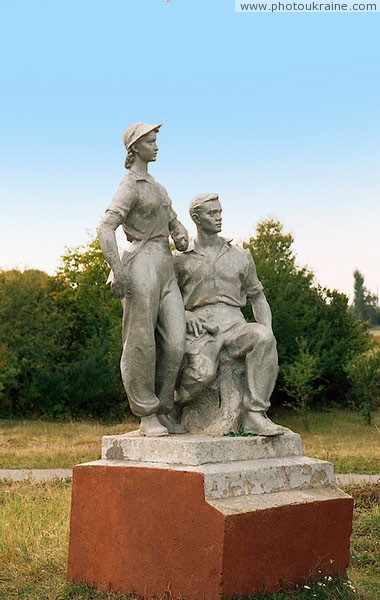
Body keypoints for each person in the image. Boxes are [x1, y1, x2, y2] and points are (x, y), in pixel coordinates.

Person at [98, 122, 188, 437]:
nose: (157, 146)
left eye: (156, 140)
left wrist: (179, 232)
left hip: (166, 265)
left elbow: (174, 222)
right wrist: (118, 270)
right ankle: (146, 414)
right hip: (141, 265)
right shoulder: (130, 187)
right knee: (140, 343)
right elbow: (105, 228)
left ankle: (164, 408)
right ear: (135, 147)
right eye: (151, 141)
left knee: (176, 343)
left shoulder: (158, 187)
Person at [174, 193, 285, 436]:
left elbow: (257, 297)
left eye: (220, 212)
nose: (219, 217)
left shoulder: (240, 255)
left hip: (236, 326)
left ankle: (255, 414)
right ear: (196, 218)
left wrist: (268, 331)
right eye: (212, 213)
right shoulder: (179, 259)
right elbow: (165, 299)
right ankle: (171, 407)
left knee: (263, 338)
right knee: (201, 375)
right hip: (199, 331)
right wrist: (184, 314)